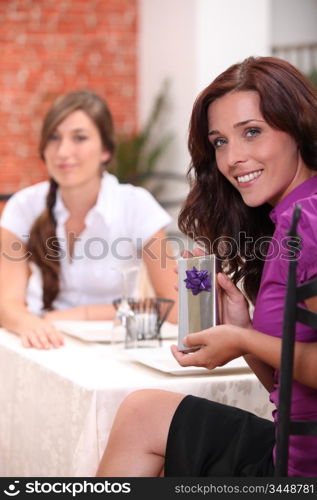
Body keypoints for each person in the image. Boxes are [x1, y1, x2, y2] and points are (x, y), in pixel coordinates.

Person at [96, 56, 317, 477]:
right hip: (290, 443)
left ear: (298, 128)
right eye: (220, 142)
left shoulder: (305, 222)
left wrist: (243, 339)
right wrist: (246, 330)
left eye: (252, 132)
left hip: (300, 471)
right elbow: (291, 386)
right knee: (142, 412)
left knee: (140, 414)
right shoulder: (290, 217)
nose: (234, 158)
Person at [0, 89, 178, 350]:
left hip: (112, 347)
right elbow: (6, 303)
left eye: (79, 138)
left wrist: (75, 316)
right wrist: (31, 325)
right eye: (54, 138)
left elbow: (172, 306)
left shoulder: (136, 205)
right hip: (41, 342)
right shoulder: (23, 206)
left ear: (105, 150)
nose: (63, 151)